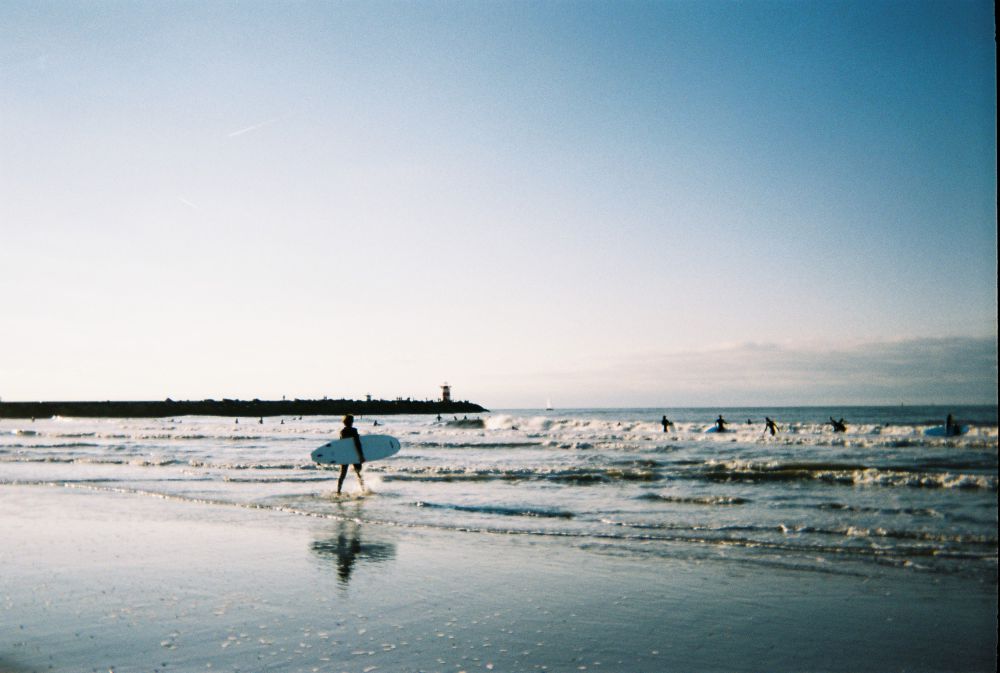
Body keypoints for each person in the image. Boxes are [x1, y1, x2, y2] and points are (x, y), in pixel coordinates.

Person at [337, 414, 366, 495]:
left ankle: (338, 491)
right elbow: (357, 443)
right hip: (354, 454)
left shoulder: (342, 431)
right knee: (358, 472)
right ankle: (363, 489)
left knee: (342, 474)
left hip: (345, 454)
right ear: (351, 422)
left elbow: (340, 444)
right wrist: (361, 455)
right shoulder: (354, 430)